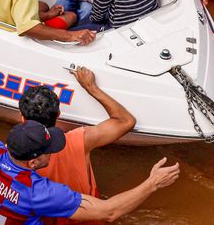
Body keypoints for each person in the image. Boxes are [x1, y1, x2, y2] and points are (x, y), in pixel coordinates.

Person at [0, 116, 180, 224]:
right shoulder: (36, 192)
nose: (54, 152)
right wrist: (152, 183)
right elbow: (108, 212)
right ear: (32, 162)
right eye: (49, 150)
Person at [18, 67, 137, 225]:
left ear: (22, 118)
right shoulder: (81, 139)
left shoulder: (12, 154)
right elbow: (126, 121)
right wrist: (91, 87)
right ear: (58, 115)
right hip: (90, 218)